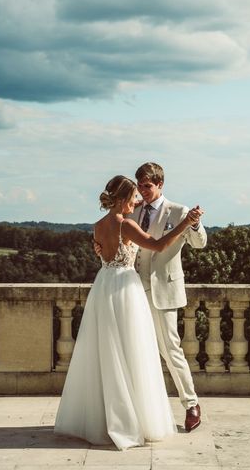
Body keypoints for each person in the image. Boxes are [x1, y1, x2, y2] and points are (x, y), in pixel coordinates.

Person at [54, 175, 203, 450]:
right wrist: (184, 224)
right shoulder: (127, 225)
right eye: (134, 196)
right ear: (123, 199)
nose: (137, 201)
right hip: (125, 288)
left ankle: (102, 419)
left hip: (103, 286)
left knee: (105, 351)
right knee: (133, 351)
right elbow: (157, 246)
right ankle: (131, 420)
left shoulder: (98, 226)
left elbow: (101, 251)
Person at [130, 162, 207, 432]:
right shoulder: (134, 210)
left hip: (164, 289)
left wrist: (195, 225)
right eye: (139, 185)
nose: (142, 190)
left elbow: (200, 244)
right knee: (136, 348)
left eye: (147, 186)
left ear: (160, 184)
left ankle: (191, 404)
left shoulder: (179, 211)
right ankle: (141, 410)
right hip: (133, 290)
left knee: (170, 349)